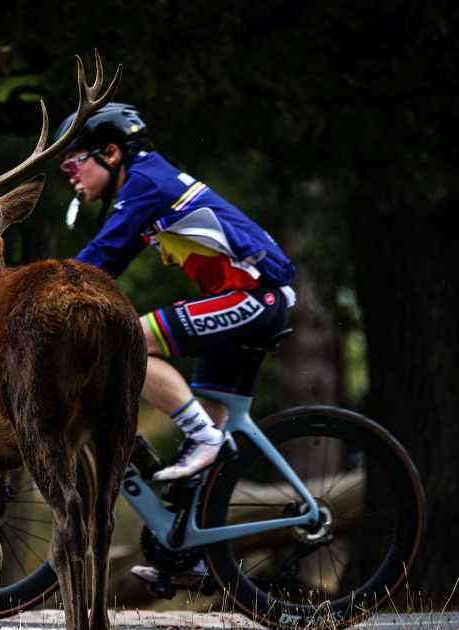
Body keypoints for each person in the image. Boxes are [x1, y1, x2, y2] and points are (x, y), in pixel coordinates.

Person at [54, 103, 297, 586]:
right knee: (204, 443)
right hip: (246, 295)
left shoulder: (145, 181)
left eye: (72, 163)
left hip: (256, 294)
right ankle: (186, 554)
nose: (70, 177)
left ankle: (206, 439)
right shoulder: (144, 183)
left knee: (135, 342)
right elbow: (110, 265)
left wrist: (39, 295)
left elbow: (96, 259)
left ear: (110, 152)